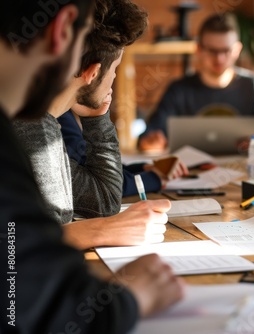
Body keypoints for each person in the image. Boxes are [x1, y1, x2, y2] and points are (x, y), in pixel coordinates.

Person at [0, 2, 184, 332]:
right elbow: (26, 296)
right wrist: (129, 296)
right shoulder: (26, 130)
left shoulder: (38, 125)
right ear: (63, 30)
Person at [138, 13, 254, 152]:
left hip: (244, 172)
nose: (219, 59)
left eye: (226, 51)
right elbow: (146, 138)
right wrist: (152, 141)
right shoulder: (178, 89)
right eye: (212, 51)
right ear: (199, 49)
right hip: (190, 174)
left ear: (237, 50)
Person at [57, 110, 187, 197]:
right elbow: (101, 184)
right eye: (112, 71)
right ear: (92, 74)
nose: (113, 77)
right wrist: (154, 178)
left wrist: (141, 168)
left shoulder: (63, 109)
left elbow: (90, 162)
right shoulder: (58, 111)